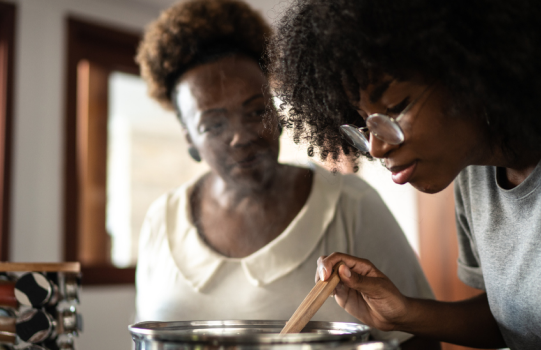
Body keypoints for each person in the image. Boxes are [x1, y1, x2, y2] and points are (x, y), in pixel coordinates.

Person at [269, 0, 541, 349]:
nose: (378, 146)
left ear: (474, 68)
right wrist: (402, 312)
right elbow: (516, 321)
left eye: (397, 107)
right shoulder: (475, 178)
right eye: (363, 126)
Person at [132, 0, 437, 347]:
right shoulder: (161, 221)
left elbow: (421, 340)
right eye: (213, 124)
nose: (240, 136)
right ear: (189, 138)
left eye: (256, 110)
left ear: (277, 116)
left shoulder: (351, 205)